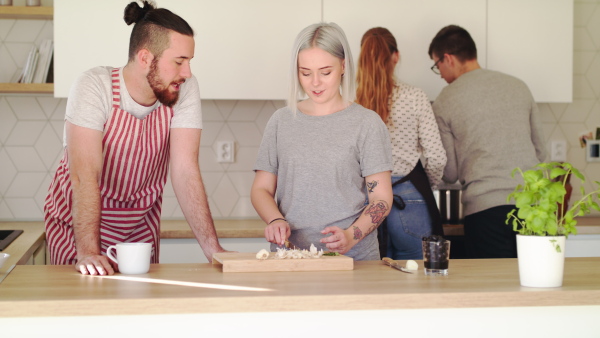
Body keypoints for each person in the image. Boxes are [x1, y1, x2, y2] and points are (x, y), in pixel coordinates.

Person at [44, 1, 225, 275]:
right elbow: (84, 175)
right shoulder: (94, 86)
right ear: (145, 58)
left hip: (138, 230)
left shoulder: (183, 89)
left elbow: (185, 170)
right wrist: (89, 253)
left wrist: (215, 250)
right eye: (179, 62)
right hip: (76, 231)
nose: (187, 73)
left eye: (189, 62)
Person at [251, 22, 393, 260]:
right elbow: (261, 189)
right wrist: (275, 219)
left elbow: (381, 199)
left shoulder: (366, 123)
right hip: (291, 258)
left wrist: (352, 235)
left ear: (343, 66)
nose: (314, 82)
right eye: (305, 72)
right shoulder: (281, 121)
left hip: (354, 260)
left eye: (325, 72)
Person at [428, 25, 547, 259]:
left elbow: (449, 172)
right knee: (536, 286)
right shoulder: (518, 86)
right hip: (533, 208)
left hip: (485, 213)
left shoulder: (445, 100)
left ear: (448, 59)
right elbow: (541, 153)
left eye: (437, 65)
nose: (440, 73)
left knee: (494, 290)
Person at [356, 27, 447, 260]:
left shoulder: (350, 103)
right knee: (417, 281)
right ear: (395, 56)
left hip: (367, 202)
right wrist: (426, 186)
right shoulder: (415, 96)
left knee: (372, 281)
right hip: (409, 196)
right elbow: (437, 157)